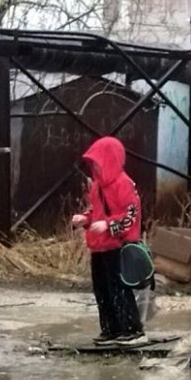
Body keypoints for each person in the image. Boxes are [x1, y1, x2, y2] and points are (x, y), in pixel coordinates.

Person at [72, 135, 146, 347]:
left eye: (97, 162)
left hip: (117, 246)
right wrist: (85, 219)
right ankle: (111, 328)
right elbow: (96, 210)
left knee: (120, 288)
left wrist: (109, 226)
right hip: (99, 246)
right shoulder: (97, 186)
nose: (94, 166)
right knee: (102, 289)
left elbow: (131, 214)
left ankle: (132, 329)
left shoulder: (124, 183)